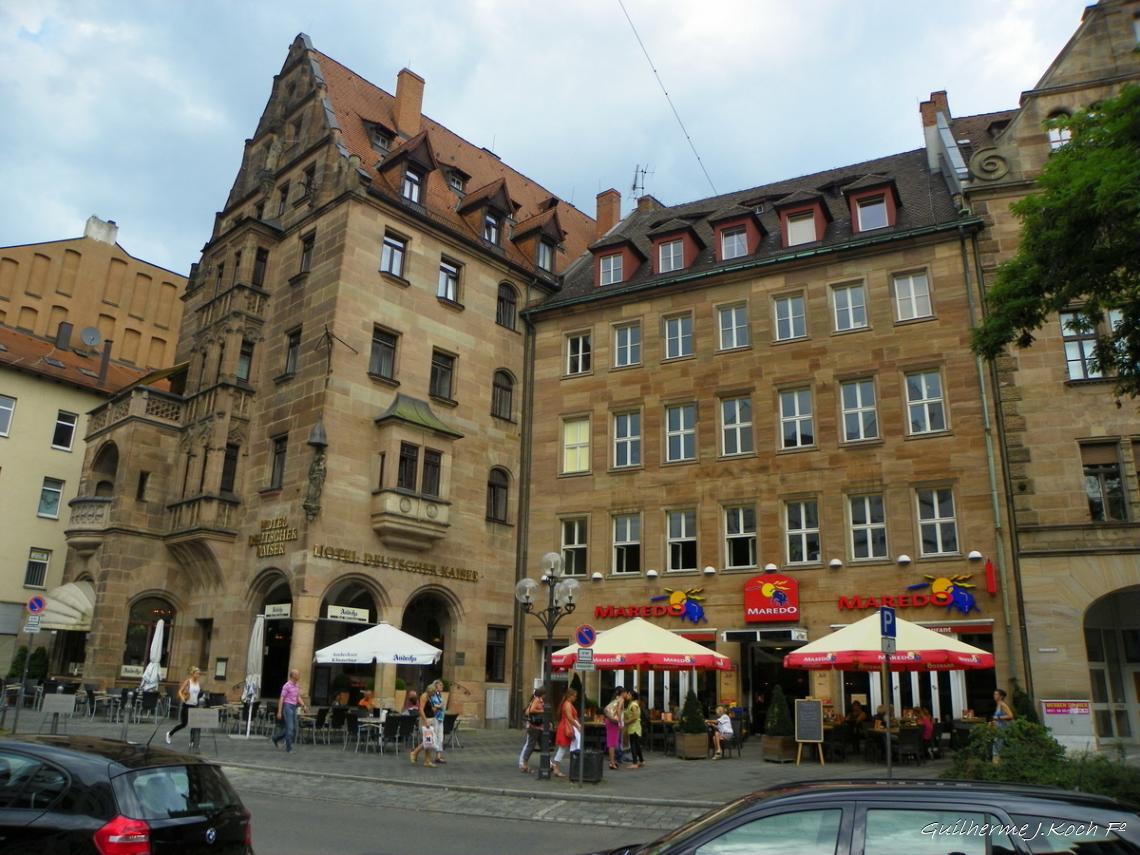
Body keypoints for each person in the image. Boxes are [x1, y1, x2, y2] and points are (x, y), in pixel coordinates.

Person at [410, 679, 446, 767]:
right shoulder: (424, 696)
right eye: (433, 693)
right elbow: (421, 709)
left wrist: (437, 708)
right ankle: (414, 752)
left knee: (429, 742)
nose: (434, 694)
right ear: (430, 691)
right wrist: (426, 721)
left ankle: (427, 761)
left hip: (432, 719)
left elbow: (431, 709)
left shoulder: (430, 697)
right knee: (430, 740)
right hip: (426, 720)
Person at [273, 669, 308, 753]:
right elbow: (281, 698)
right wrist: (279, 711)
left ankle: (276, 738)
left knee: (294, 728)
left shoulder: (297, 686)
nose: (299, 676)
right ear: (293, 676)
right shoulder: (287, 685)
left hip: (294, 707)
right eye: (298, 674)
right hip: (287, 706)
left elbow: (298, 697)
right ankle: (289, 748)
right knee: (290, 728)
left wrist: (303, 705)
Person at [166, 666, 202, 746]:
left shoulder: (198, 683)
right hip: (187, 705)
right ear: (193, 674)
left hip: (195, 705)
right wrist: (182, 698)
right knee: (184, 724)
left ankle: (192, 741)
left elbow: (196, 694)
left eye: (199, 673)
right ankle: (169, 734)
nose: (199, 675)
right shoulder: (188, 682)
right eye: (197, 673)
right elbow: (179, 691)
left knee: (194, 724)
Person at [551, 687, 580, 778]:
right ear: (569, 696)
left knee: (562, 749)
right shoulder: (567, 704)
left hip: (565, 727)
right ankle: (555, 767)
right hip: (565, 728)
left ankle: (555, 766)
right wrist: (577, 725)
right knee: (562, 749)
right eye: (574, 696)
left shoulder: (568, 703)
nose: (575, 698)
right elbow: (570, 717)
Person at [518, 687, 546, 773]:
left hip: (539, 727)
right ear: (542, 694)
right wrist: (542, 710)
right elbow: (531, 710)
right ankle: (524, 763)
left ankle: (549, 763)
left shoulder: (538, 699)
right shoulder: (537, 699)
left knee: (543, 745)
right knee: (531, 745)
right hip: (534, 727)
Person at [602, 687, 626, 771]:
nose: (626, 694)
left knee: (611, 742)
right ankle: (612, 762)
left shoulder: (614, 699)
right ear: (622, 693)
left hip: (609, 721)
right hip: (613, 722)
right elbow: (619, 710)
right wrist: (620, 722)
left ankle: (612, 761)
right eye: (625, 692)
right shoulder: (621, 699)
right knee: (612, 743)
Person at [991, 689, 1014, 761]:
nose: (994, 696)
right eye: (994, 694)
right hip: (998, 730)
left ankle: (997, 765)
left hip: (1002, 730)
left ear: (1001, 696)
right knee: (997, 747)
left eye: (996, 694)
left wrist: (997, 717)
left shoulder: (1003, 705)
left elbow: (1010, 716)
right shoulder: (998, 704)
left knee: (997, 748)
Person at [623, 689, 644, 769]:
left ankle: (635, 762)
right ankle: (641, 761)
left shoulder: (633, 705)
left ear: (631, 696)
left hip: (634, 727)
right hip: (634, 727)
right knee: (637, 745)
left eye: (628, 694)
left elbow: (635, 717)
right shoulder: (632, 704)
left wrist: (627, 722)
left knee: (633, 745)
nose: (627, 696)